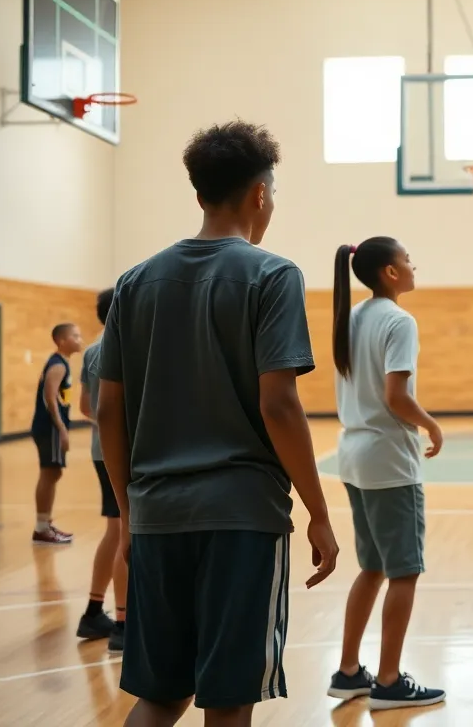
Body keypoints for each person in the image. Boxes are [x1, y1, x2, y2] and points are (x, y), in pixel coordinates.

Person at [95, 120, 340, 727]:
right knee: (228, 698)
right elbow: (279, 404)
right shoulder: (272, 275)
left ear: (199, 191)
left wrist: (128, 516)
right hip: (240, 518)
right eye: (274, 191)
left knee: (160, 695)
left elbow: (107, 411)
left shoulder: (135, 282)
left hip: (156, 515)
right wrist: (320, 511)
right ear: (260, 194)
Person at [326, 237, 446, 710]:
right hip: (389, 462)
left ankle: (349, 671)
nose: (413, 265)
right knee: (404, 571)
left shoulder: (351, 315)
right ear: (391, 273)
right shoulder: (398, 320)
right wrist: (432, 424)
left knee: (372, 567)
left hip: (353, 456)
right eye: (407, 260)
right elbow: (397, 396)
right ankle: (390, 681)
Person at [75, 287, 127, 652]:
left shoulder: (92, 350)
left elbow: (85, 407)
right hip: (122, 453)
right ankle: (123, 623)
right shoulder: (122, 348)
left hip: (100, 450)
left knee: (115, 531)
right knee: (126, 533)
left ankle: (95, 610)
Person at [31, 321, 83, 544]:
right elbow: (49, 397)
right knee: (49, 473)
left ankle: (45, 524)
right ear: (62, 340)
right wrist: (61, 429)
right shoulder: (58, 364)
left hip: (51, 426)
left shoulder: (62, 363)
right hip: (50, 426)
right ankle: (42, 528)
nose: (80, 340)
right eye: (75, 336)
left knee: (53, 473)